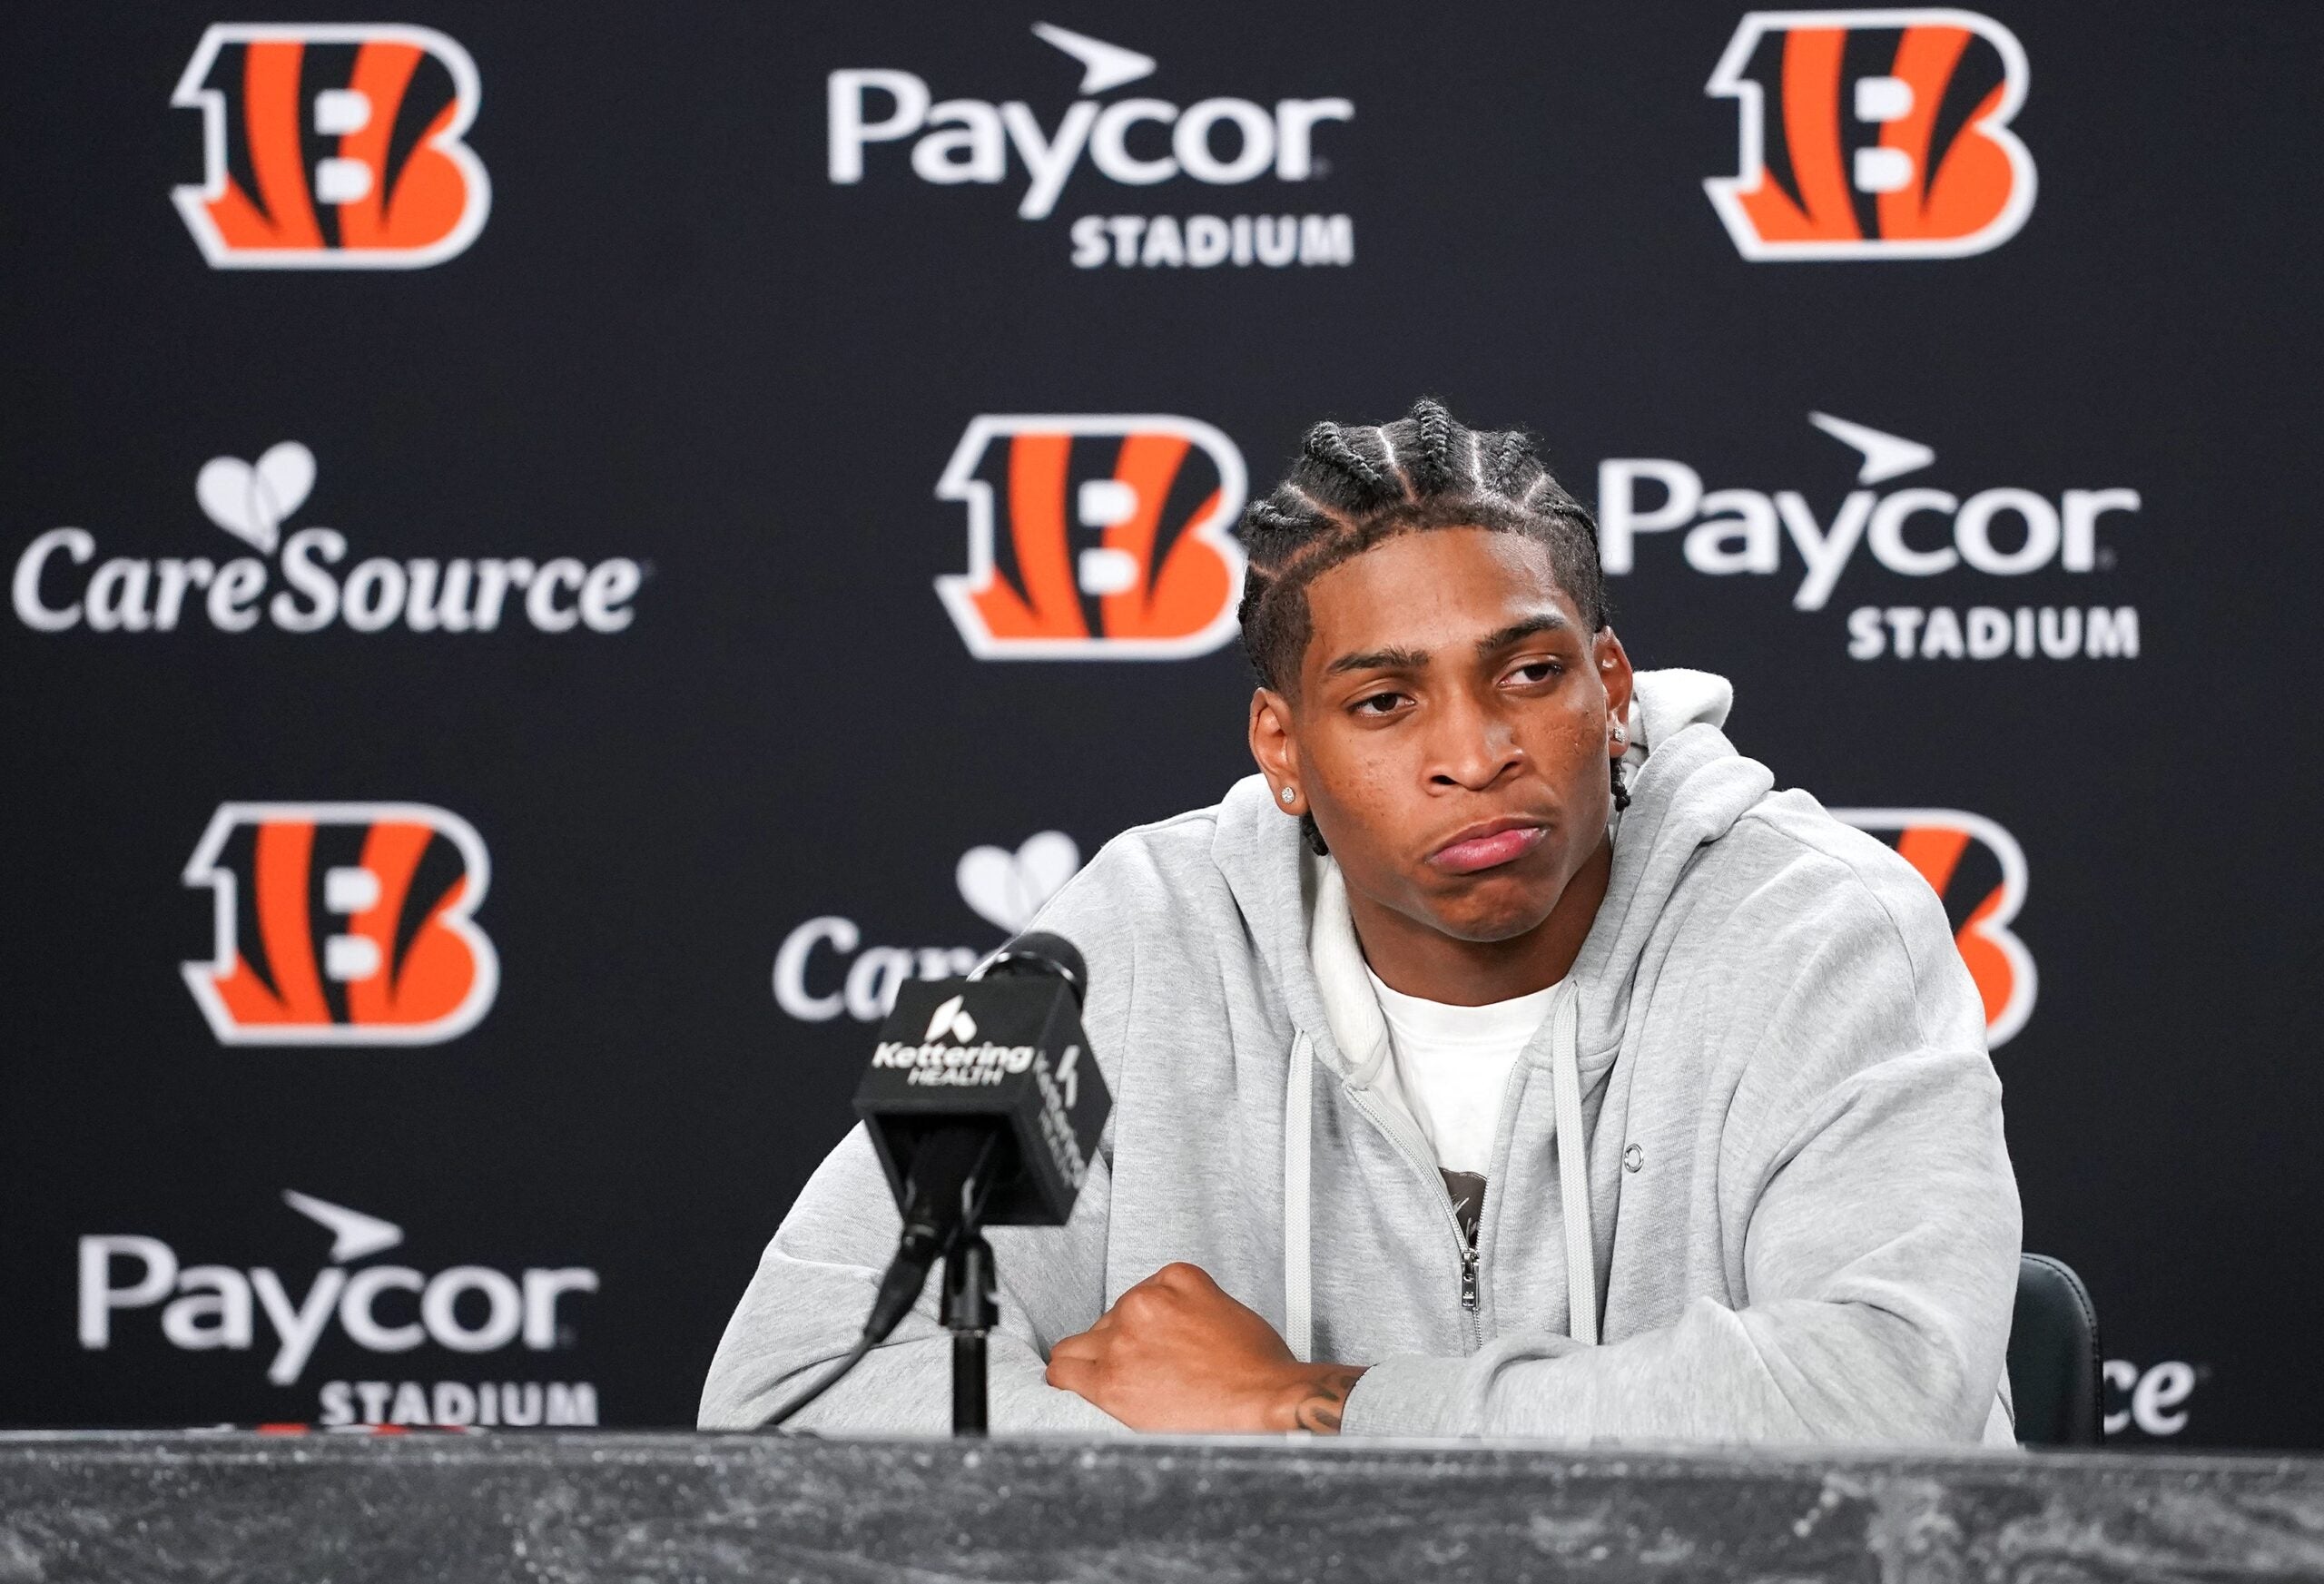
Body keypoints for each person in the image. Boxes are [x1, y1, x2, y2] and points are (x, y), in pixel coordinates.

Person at [702, 398, 2021, 1441]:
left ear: (1612, 685)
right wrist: (1226, 1461)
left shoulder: (1825, 928)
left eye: (1530, 670)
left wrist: (1311, 1405)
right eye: (1385, 701)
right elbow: (803, 1381)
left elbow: (1880, 1399)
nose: (1476, 750)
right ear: (1283, 746)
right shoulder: (1110, 945)